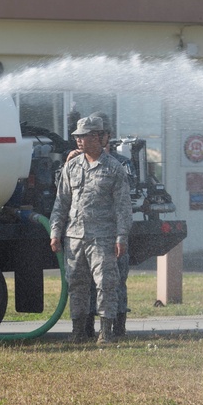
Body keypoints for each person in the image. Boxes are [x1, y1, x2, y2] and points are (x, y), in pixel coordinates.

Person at [50, 116, 133, 344]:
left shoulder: (114, 169)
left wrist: (121, 236)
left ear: (97, 137)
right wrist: (55, 232)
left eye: (83, 135)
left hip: (103, 238)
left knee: (106, 284)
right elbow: (61, 202)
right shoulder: (71, 166)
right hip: (75, 238)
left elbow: (123, 208)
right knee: (76, 286)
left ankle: (106, 333)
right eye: (77, 136)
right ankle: (78, 332)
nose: (78, 140)